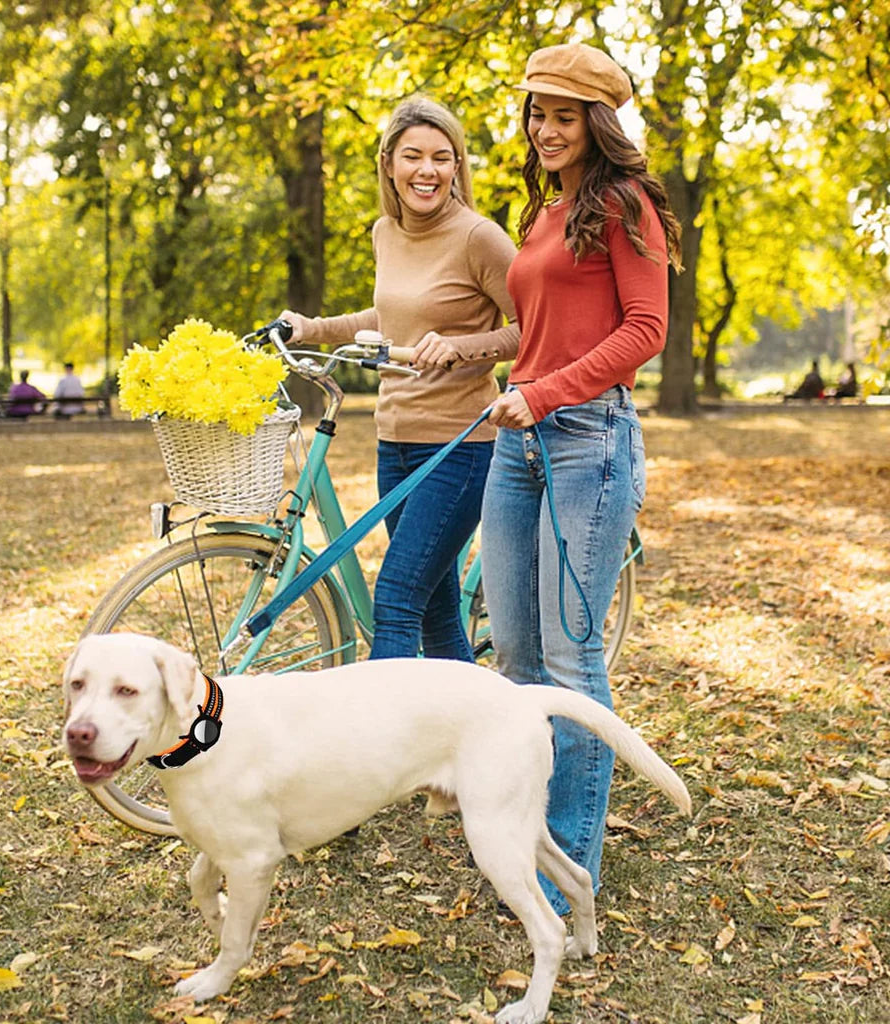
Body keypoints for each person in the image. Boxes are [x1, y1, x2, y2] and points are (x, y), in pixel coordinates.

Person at [479, 42, 682, 916]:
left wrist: (545, 393)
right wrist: (498, 373)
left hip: (588, 442)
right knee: (516, 657)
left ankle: (570, 873)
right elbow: (540, 329)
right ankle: (525, 841)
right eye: (538, 112)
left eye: (564, 115)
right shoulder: (543, 211)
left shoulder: (627, 203)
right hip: (518, 445)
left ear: (598, 124)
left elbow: (645, 330)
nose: (546, 129)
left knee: (569, 658)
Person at [280, 96, 519, 662]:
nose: (427, 170)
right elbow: (390, 316)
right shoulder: (385, 232)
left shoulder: (479, 238)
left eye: (442, 157)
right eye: (413, 156)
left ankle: (381, 722)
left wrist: (459, 348)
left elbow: (534, 329)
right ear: (388, 163)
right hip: (395, 441)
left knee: (396, 599)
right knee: (435, 607)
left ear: (457, 166)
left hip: (461, 446)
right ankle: (466, 714)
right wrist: (312, 328)